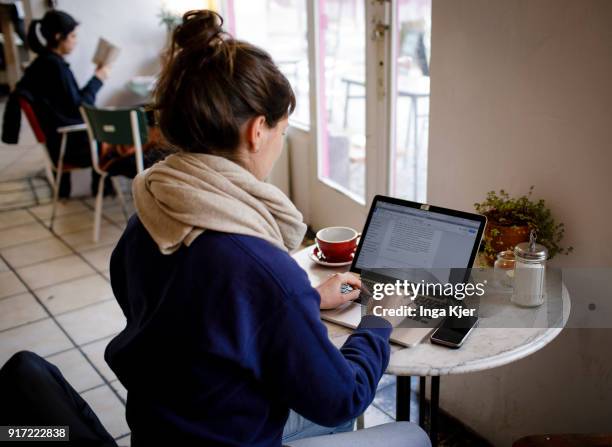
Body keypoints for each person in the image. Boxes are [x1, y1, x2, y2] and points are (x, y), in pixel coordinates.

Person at [104, 9, 430, 447]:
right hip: (234, 436)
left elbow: (198, 319)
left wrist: (308, 300)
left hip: (166, 426)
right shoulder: (257, 266)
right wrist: (379, 319)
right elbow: (343, 398)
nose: (279, 141)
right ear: (258, 131)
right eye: (282, 129)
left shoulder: (150, 212)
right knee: (411, 435)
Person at [1, 9, 151, 198]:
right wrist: (98, 78)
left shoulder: (43, 64)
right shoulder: (54, 67)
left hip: (61, 143)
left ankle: (105, 191)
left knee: (125, 137)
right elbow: (81, 108)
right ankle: (116, 191)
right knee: (135, 138)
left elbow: (73, 104)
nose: (75, 40)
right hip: (71, 146)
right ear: (58, 36)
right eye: (72, 36)